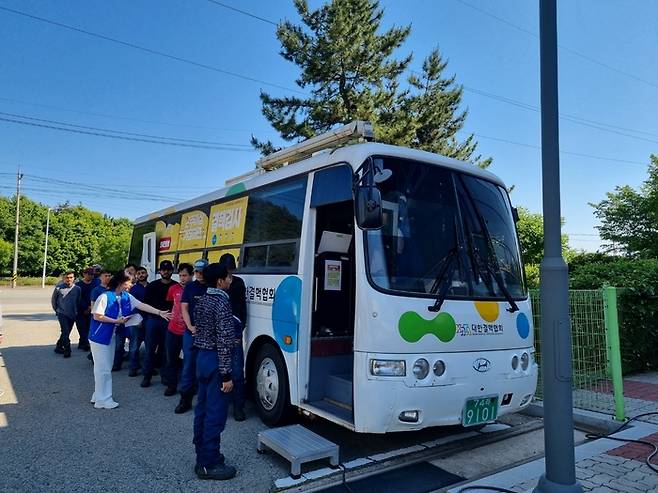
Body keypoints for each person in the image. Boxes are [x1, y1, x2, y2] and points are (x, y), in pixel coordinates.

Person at [89, 271, 171, 409]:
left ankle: (98, 395)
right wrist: (116, 321)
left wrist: (159, 312)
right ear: (121, 282)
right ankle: (103, 400)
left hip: (110, 335)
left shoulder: (125, 296)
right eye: (129, 282)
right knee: (103, 369)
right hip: (99, 337)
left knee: (104, 367)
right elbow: (97, 316)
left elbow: (141, 305)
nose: (131, 285)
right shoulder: (104, 296)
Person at [192, 263, 236, 480]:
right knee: (215, 414)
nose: (230, 280)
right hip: (216, 361)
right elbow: (225, 341)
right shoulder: (221, 303)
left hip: (202, 359)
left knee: (202, 409)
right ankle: (209, 464)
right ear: (220, 281)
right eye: (228, 277)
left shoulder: (202, 300)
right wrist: (227, 375)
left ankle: (204, 455)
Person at [175, 258, 208, 414]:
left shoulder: (212, 287)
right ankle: (185, 399)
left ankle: (203, 401)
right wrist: (190, 326)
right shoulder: (190, 288)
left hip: (208, 335)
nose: (199, 274)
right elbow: (184, 308)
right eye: (196, 271)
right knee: (188, 366)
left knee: (205, 368)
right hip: (191, 333)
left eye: (202, 271)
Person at [219, 253, 247, 422]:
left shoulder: (239, 283)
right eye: (226, 272)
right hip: (219, 334)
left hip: (234, 331)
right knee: (220, 371)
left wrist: (240, 328)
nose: (229, 275)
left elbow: (242, 308)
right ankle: (221, 406)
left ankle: (238, 408)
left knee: (237, 372)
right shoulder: (215, 284)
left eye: (231, 271)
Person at [142, 260, 178, 388]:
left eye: (168, 270)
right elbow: (144, 304)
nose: (166, 272)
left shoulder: (176, 286)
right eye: (163, 270)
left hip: (169, 321)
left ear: (172, 271)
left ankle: (165, 376)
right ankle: (147, 376)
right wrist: (146, 320)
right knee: (150, 350)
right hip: (153, 320)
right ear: (160, 271)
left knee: (166, 351)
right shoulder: (152, 286)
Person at [163, 263, 193, 396]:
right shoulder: (173, 288)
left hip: (189, 330)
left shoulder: (195, 289)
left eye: (185, 275)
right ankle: (171, 385)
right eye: (180, 275)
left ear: (191, 275)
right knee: (171, 359)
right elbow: (170, 303)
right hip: (173, 329)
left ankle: (189, 387)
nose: (182, 278)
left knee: (189, 360)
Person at [51, 271, 81, 358]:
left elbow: (78, 301)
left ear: (74, 278)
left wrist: (76, 312)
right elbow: (54, 300)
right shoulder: (59, 288)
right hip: (62, 313)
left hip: (72, 314)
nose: (69, 279)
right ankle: (67, 349)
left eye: (71, 277)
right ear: (64, 278)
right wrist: (56, 310)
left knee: (66, 332)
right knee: (65, 331)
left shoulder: (77, 289)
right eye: (67, 278)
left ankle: (58, 346)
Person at [127, 266, 149, 377]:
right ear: (136, 276)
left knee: (150, 347)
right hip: (136, 320)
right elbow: (131, 305)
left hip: (149, 320)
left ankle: (147, 368)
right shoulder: (134, 289)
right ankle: (133, 368)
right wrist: (138, 318)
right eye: (139, 273)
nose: (141, 275)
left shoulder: (151, 287)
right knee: (134, 346)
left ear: (147, 274)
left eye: (143, 273)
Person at [88, 269, 112, 362]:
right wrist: (97, 316)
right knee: (98, 338)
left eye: (109, 275)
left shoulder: (112, 289)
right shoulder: (96, 290)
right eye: (106, 276)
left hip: (110, 317)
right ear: (100, 277)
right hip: (99, 318)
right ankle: (95, 357)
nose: (108, 277)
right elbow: (93, 305)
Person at [75, 267, 95, 351]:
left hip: (92, 309)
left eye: (92, 274)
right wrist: (85, 308)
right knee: (82, 327)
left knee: (89, 327)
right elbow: (78, 298)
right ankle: (84, 342)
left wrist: (90, 307)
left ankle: (85, 343)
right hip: (80, 310)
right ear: (84, 274)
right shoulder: (78, 285)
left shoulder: (95, 284)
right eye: (89, 274)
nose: (90, 276)